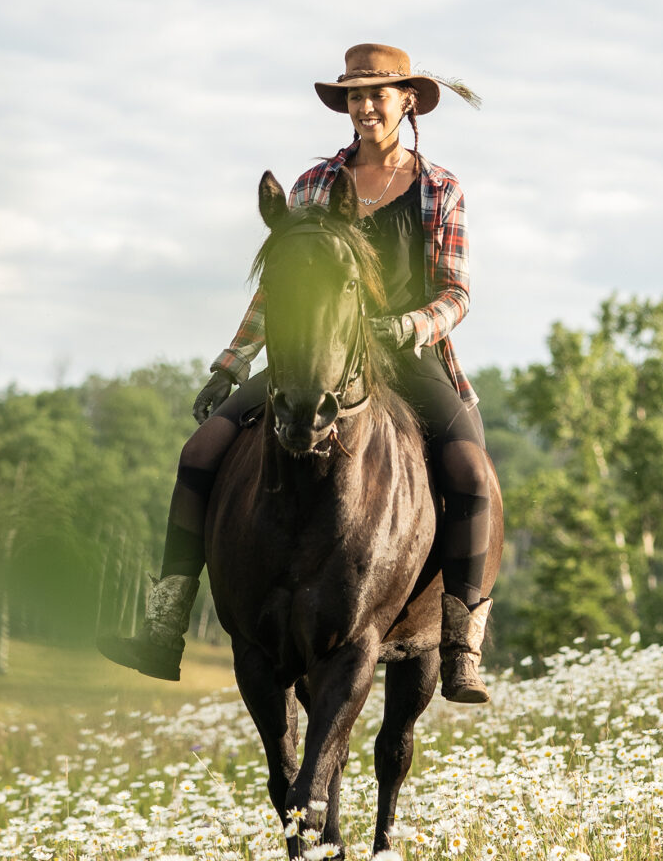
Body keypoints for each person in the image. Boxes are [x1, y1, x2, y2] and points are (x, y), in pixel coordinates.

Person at [99, 44, 498, 702]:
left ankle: (461, 645)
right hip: (313, 354)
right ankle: (164, 624)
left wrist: (408, 325)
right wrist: (232, 364)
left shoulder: (439, 188)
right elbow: (280, 291)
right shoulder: (312, 186)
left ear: (406, 102)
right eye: (354, 96)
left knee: (472, 473)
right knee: (200, 450)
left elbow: (456, 292)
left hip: (406, 355)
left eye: (379, 94)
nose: (365, 106)